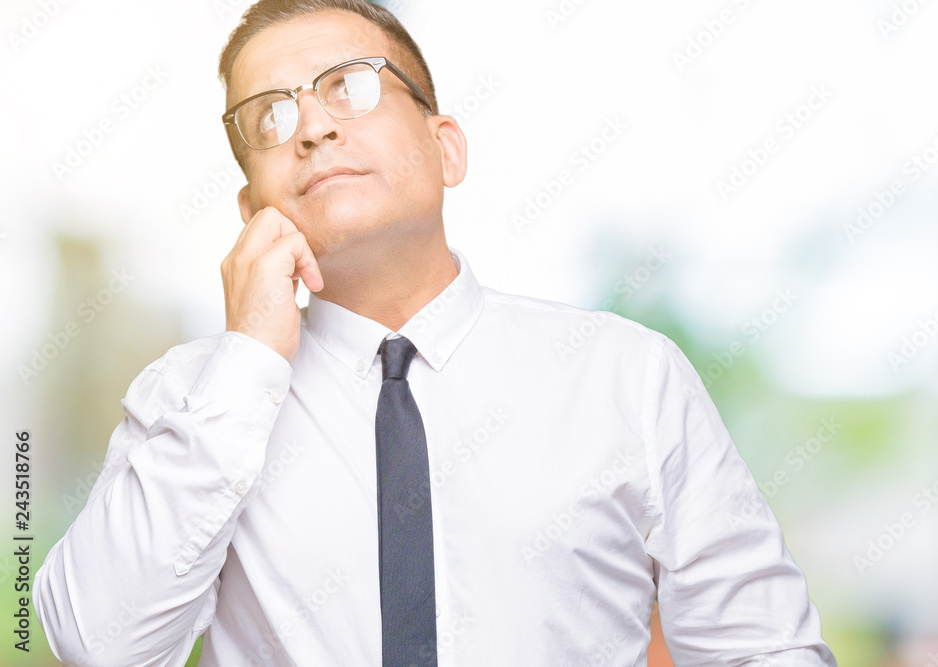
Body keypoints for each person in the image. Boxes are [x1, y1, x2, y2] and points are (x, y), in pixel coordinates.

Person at [33, 1, 838, 665]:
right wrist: (248, 361)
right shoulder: (192, 396)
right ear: (252, 210)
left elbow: (765, 649)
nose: (311, 127)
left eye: (348, 87)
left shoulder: (627, 377)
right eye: (270, 117)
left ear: (445, 147)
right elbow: (95, 645)